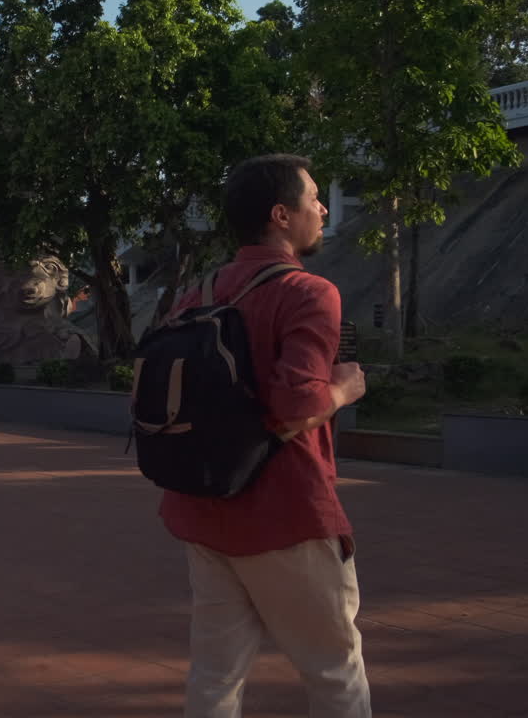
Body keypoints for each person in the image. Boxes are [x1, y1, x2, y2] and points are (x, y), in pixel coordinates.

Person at [161, 154, 371, 718]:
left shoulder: (199, 290)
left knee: (215, 674)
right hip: (287, 515)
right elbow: (296, 405)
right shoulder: (308, 292)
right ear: (282, 215)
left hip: (203, 507)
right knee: (334, 670)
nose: (323, 209)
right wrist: (346, 389)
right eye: (313, 199)